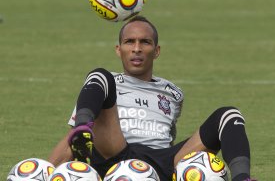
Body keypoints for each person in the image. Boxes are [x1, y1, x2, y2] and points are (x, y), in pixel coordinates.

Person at [49, 16, 253, 181]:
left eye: (145, 42)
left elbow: (169, 135)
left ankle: (242, 178)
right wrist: (47, 171)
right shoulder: (101, 85)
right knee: (99, 74)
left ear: (156, 51)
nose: (136, 48)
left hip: (163, 162)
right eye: (129, 42)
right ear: (118, 50)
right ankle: (83, 126)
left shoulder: (173, 93)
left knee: (228, 115)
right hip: (116, 154)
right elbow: (72, 141)